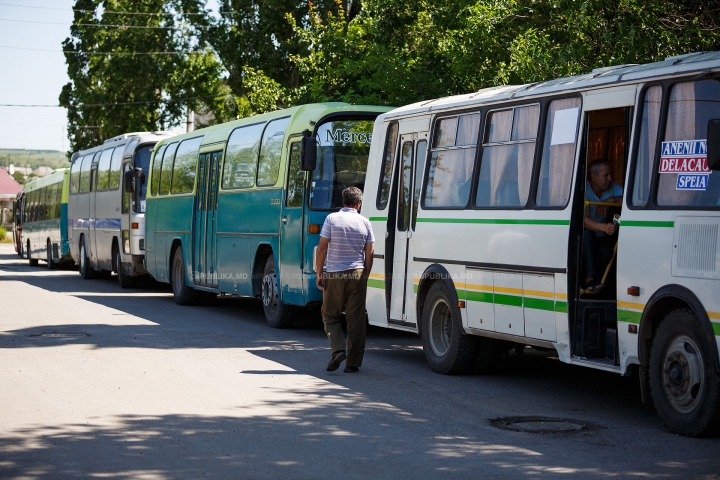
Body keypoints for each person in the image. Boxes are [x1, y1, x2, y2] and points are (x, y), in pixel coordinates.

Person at [315, 187, 375, 373]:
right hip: (357, 274)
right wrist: (365, 273)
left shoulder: (332, 219)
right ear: (359, 203)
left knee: (330, 315)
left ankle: (338, 350)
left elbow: (323, 247)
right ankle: (353, 363)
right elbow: (370, 251)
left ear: (343, 202)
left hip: (335, 274)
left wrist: (319, 272)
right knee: (355, 320)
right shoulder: (365, 222)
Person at [583, 159, 623, 293]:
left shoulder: (614, 189)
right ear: (593, 177)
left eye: (610, 175)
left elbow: (628, 201)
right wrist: (605, 227)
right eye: (605, 175)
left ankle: (597, 283)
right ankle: (588, 279)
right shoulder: (585, 190)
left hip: (604, 235)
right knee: (587, 234)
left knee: (607, 251)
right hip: (587, 237)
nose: (610, 178)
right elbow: (584, 220)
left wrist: (611, 200)